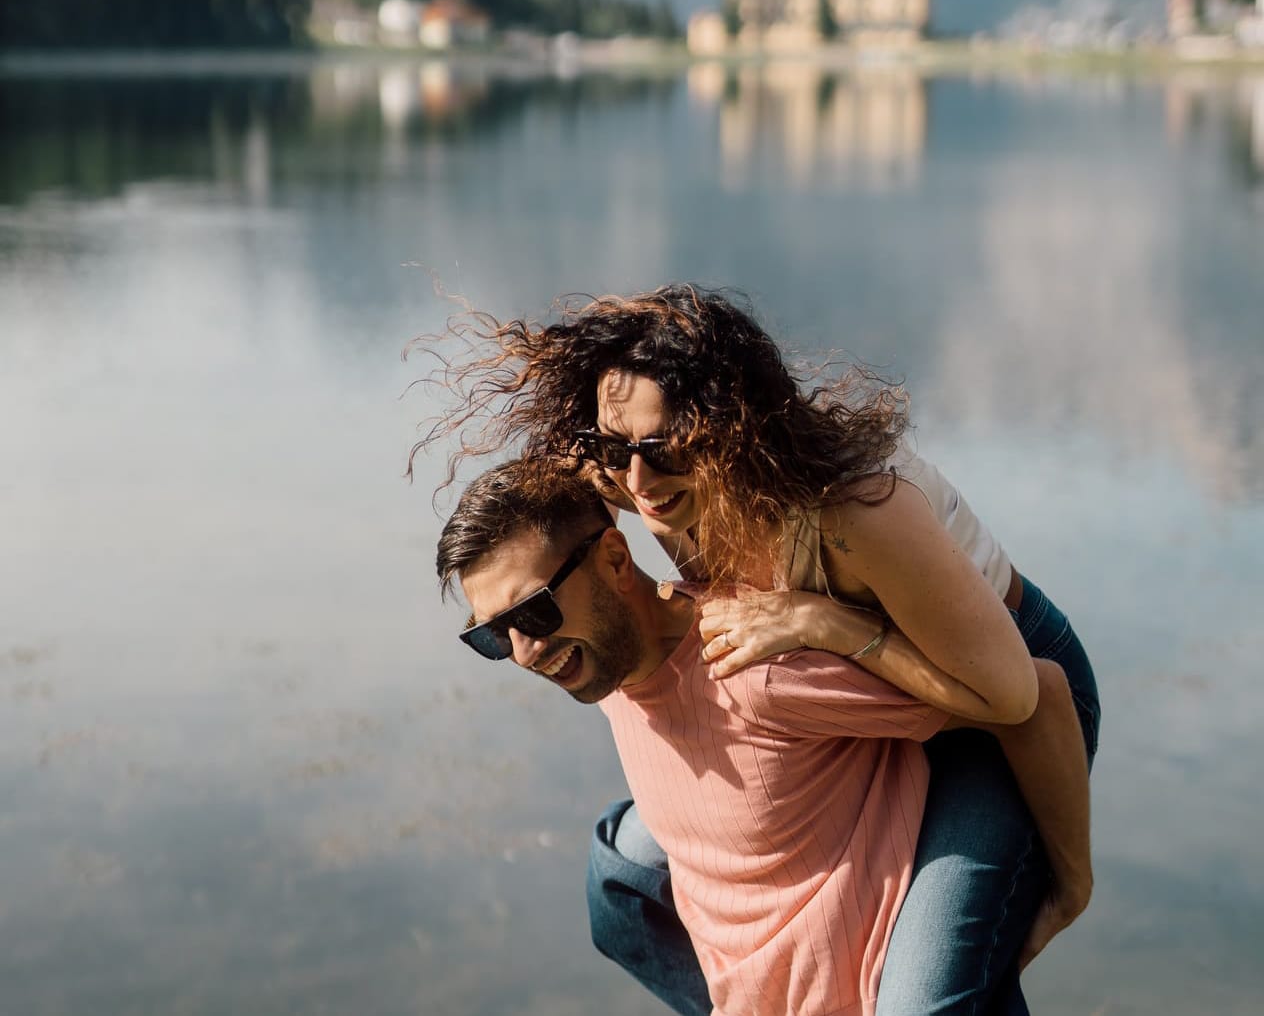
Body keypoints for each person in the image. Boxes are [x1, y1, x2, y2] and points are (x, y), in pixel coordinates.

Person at [410, 284, 1099, 1013]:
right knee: (623, 874)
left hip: (997, 681)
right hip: (852, 688)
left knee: (919, 1000)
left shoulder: (853, 513)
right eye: (617, 451)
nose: (639, 482)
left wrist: (1071, 878)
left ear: (728, 426)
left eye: (664, 447)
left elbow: (1023, 698)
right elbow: (554, 537)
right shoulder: (643, 484)